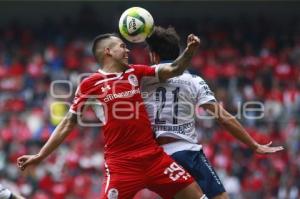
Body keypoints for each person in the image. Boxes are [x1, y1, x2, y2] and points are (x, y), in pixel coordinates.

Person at [17, 33, 208, 199]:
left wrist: (190, 50)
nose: (128, 51)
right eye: (123, 47)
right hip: (121, 164)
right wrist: (40, 155)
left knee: (197, 196)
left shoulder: (136, 72)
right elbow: (68, 124)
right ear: (108, 51)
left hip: (154, 158)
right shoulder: (90, 84)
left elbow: (174, 69)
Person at [142, 26, 284, 199]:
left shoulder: (142, 79)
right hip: (187, 153)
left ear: (154, 55)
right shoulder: (194, 81)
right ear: (178, 53)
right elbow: (223, 118)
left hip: (157, 158)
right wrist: (254, 145)